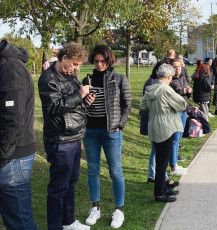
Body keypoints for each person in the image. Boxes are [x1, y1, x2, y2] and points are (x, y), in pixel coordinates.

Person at [38, 42, 92, 230]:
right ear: (64, 58)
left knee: (71, 181)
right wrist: (79, 95)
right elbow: (53, 107)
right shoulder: (48, 78)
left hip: (75, 136)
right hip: (60, 140)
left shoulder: (70, 76)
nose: (77, 68)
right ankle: (55, 226)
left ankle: (68, 221)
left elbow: (75, 102)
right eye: (75, 64)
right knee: (58, 187)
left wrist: (85, 100)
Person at [81, 45, 131, 228]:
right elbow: (81, 107)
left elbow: (127, 105)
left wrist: (120, 124)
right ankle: (95, 208)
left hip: (111, 133)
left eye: (103, 60)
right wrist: (85, 102)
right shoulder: (87, 79)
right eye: (96, 61)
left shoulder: (119, 79)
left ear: (109, 60)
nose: (99, 64)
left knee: (115, 171)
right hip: (90, 132)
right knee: (93, 170)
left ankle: (119, 211)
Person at [0, 40, 38, 230]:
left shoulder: (9, 67)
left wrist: (2, 153)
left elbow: (12, 118)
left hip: (12, 159)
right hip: (9, 156)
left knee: (20, 224)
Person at [140, 63, 186, 203]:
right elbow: (182, 105)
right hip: (166, 127)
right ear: (169, 76)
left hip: (154, 125)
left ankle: (164, 188)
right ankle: (159, 194)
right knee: (162, 162)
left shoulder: (150, 88)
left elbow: (143, 106)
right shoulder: (167, 90)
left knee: (161, 160)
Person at [169, 59, 190, 175]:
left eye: (179, 66)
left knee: (179, 138)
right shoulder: (170, 79)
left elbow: (186, 94)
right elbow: (171, 95)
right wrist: (183, 90)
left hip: (183, 109)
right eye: (175, 67)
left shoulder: (183, 77)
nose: (178, 69)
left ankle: (175, 164)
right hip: (175, 111)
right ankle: (173, 166)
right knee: (175, 139)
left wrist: (188, 91)